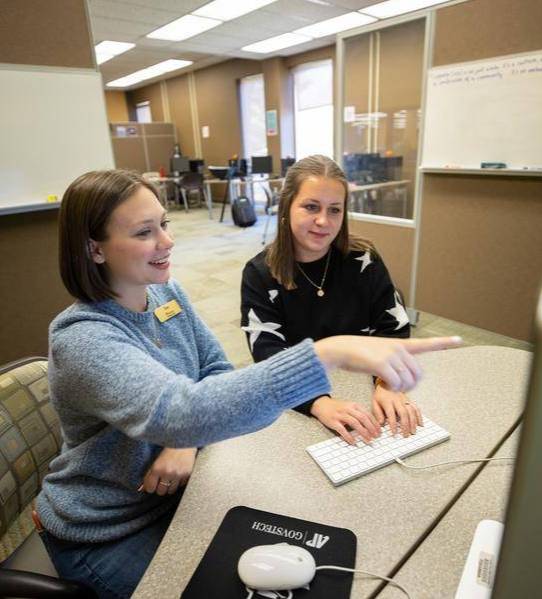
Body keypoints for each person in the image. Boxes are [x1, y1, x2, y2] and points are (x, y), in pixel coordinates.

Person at [36, 169, 460, 598]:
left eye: (164, 224)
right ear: (95, 250)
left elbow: (217, 372)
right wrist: (324, 353)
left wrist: (183, 441)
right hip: (108, 527)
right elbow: (180, 412)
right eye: (145, 232)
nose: (167, 242)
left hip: (184, 492)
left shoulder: (166, 295)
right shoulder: (82, 337)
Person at [241, 155, 424, 445]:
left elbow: (393, 326)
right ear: (287, 207)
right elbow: (269, 353)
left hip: (364, 386)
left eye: (335, 210)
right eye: (311, 207)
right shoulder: (260, 274)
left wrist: (387, 382)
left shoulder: (364, 260)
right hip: (299, 401)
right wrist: (317, 402)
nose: (323, 221)